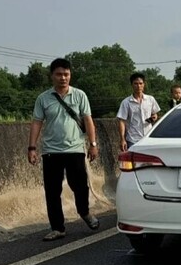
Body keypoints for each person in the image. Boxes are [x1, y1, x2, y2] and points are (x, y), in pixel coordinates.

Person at [28, 58, 100, 241]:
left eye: (66, 74)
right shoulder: (43, 98)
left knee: (80, 186)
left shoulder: (79, 95)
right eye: (59, 74)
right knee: (52, 191)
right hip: (51, 151)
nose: (63, 78)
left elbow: (88, 120)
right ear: (52, 76)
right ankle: (58, 227)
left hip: (75, 149)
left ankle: (84, 212)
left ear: (70, 75)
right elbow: (37, 122)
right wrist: (32, 147)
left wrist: (93, 144)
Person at [116, 73, 161, 151]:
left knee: (149, 162)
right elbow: (122, 121)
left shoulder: (150, 99)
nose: (138, 86)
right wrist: (122, 139)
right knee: (135, 162)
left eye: (140, 83)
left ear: (144, 84)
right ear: (132, 85)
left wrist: (154, 117)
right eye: (136, 84)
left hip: (148, 138)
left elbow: (155, 113)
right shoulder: (126, 102)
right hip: (133, 139)